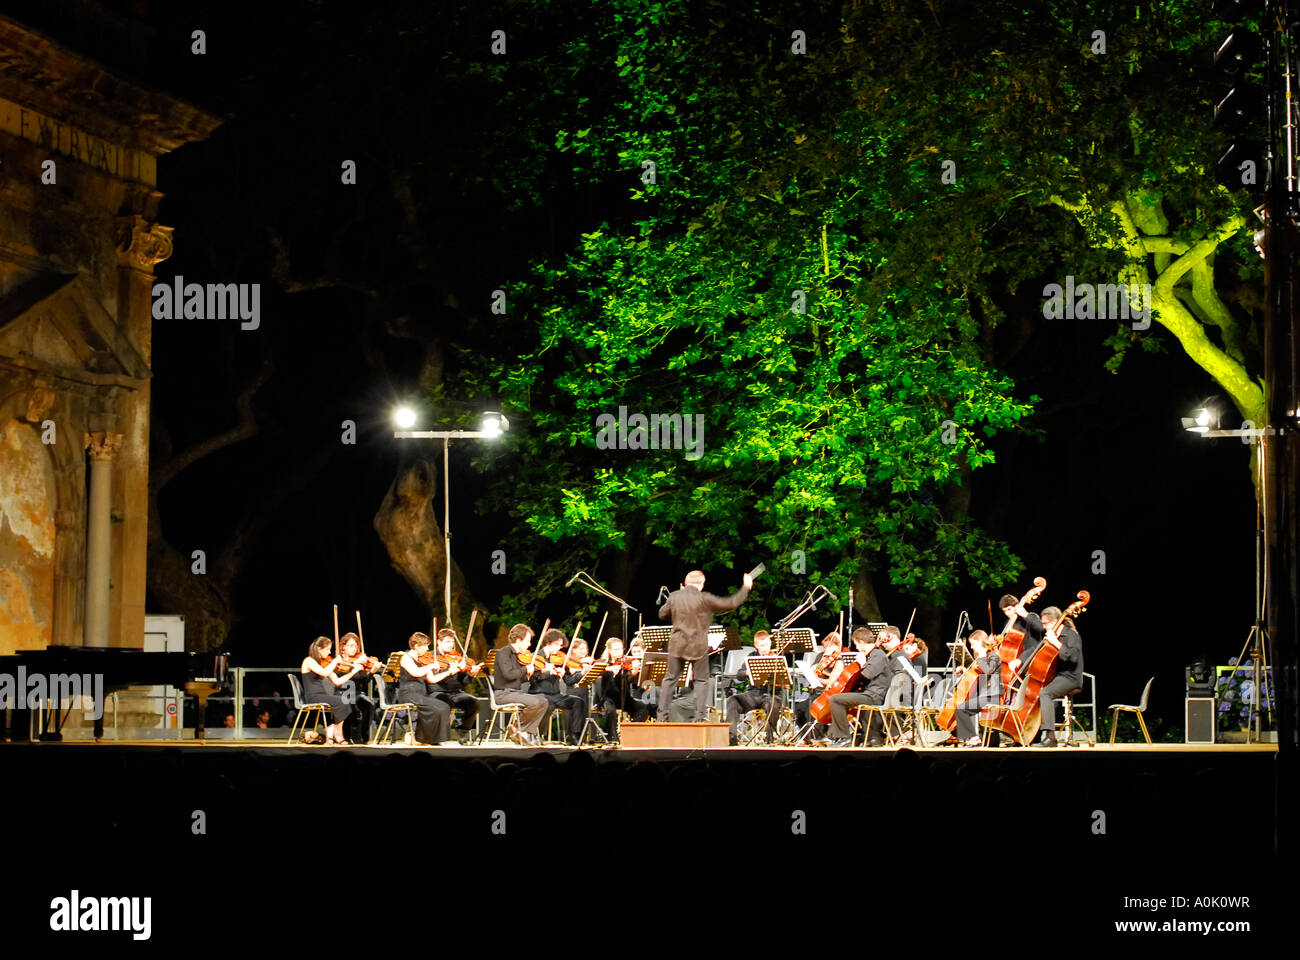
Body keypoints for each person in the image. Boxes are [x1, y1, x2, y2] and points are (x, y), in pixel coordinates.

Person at [657, 569, 752, 723]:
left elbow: (662, 614)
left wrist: (675, 602)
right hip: (697, 646)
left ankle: (662, 717)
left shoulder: (674, 596)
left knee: (670, 679)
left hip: (677, 645)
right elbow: (731, 603)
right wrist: (746, 587)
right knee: (701, 680)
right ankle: (699, 717)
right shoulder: (705, 598)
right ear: (701, 584)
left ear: (686, 583)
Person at [826, 626, 897, 747]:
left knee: (836, 699)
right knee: (841, 698)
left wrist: (862, 663)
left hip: (874, 695)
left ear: (861, 642)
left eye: (856, 644)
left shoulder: (878, 655)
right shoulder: (873, 655)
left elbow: (868, 674)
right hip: (869, 693)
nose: (857, 648)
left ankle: (844, 737)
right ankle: (870, 736)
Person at [1030, 606, 1084, 747]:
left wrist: (1055, 643)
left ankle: (1050, 737)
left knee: (1046, 693)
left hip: (1071, 678)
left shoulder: (1071, 634)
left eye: (1045, 624)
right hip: (1059, 676)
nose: (1043, 627)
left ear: (1055, 622)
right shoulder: (1055, 636)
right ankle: (1033, 735)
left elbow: (1073, 658)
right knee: (1040, 694)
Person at [724, 630, 787, 745]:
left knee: (772, 703)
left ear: (770, 644)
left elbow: (785, 680)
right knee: (733, 700)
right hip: (753, 694)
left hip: (772, 694)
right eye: (761, 645)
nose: (764, 648)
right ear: (756, 646)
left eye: (767, 645)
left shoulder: (777, 657)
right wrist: (748, 673)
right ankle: (731, 737)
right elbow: (739, 675)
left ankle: (770, 737)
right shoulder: (751, 656)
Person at [300, 636, 365, 744]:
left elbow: (337, 681)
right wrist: (335, 661)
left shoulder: (322, 662)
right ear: (319, 649)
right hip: (313, 696)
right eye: (328, 649)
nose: (329, 652)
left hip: (321, 695)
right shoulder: (309, 661)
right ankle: (338, 735)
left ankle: (332, 729)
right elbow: (324, 673)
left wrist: (354, 671)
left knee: (344, 700)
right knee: (342, 702)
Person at [493, 624, 551, 745]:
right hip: (503, 693)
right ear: (519, 640)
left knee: (544, 702)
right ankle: (517, 729)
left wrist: (533, 673)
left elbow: (520, 678)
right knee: (535, 703)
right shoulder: (503, 653)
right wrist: (525, 669)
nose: (529, 645)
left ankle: (522, 731)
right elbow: (508, 675)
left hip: (515, 692)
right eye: (528, 641)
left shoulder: (520, 657)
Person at [397, 632, 456, 745]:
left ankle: (434, 739)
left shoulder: (423, 660)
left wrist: (448, 672)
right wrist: (431, 666)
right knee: (435, 707)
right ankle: (422, 738)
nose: (428, 648)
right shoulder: (406, 658)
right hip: (409, 693)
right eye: (425, 645)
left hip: (421, 694)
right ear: (416, 646)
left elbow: (432, 679)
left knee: (444, 706)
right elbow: (415, 672)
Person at [428, 628, 482, 744]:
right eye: (448, 642)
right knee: (442, 703)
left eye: (452, 642)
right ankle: (436, 736)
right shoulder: (430, 657)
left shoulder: (456, 658)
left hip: (455, 693)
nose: (451, 645)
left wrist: (471, 674)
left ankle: (462, 731)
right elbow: (432, 679)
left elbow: (464, 682)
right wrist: (449, 670)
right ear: (439, 642)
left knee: (475, 703)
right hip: (437, 692)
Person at [954, 630, 1002, 747]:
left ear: (980, 642)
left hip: (992, 696)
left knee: (961, 709)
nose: (971, 647)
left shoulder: (993, 656)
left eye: (973, 644)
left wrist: (980, 658)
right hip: (985, 695)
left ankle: (974, 738)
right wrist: (966, 671)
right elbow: (980, 675)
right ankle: (973, 737)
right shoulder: (985, 657)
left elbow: (988, 671)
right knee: (961, 707)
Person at [794, 631, 843, 737]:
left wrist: (817, 680)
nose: (825, 651)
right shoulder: (821, 656)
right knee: (797, 708)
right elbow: (814, 670)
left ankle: (817, 737)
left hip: (828, 695)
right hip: (816, 693)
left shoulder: (839, 661)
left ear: (836, 646)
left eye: (829, 647)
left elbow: (831, 684)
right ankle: (805, 736)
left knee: (810, 709)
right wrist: (811, 672)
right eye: (825, 647)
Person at [337, 632, 376, 743]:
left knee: (369, 704)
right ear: (343, 647)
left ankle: (364, 735)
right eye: (350, 645)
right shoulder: (339, 661)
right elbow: (340, 677)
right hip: (343, 692)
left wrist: (372, 672)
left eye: (355, 646)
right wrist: (354, 663)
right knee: (350, 704)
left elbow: (364, 682)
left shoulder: (359, 662)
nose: (354, 648)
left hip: (357, 693)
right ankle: (348, 736)